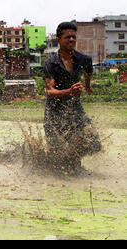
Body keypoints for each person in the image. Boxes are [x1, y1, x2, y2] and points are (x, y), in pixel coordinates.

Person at [43, 22, 102, 173]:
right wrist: (69, 91)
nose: (71, 40)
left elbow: (88, 71)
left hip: (75, 109)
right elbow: (49, 91)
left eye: (73, 37)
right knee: (56, 150)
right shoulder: (51, 63)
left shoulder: (84, 59)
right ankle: (59, 170)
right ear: (58, 39)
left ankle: (72, 162)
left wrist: (87, 85)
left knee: (94, 142)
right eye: (67, 37)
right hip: (54, 112)